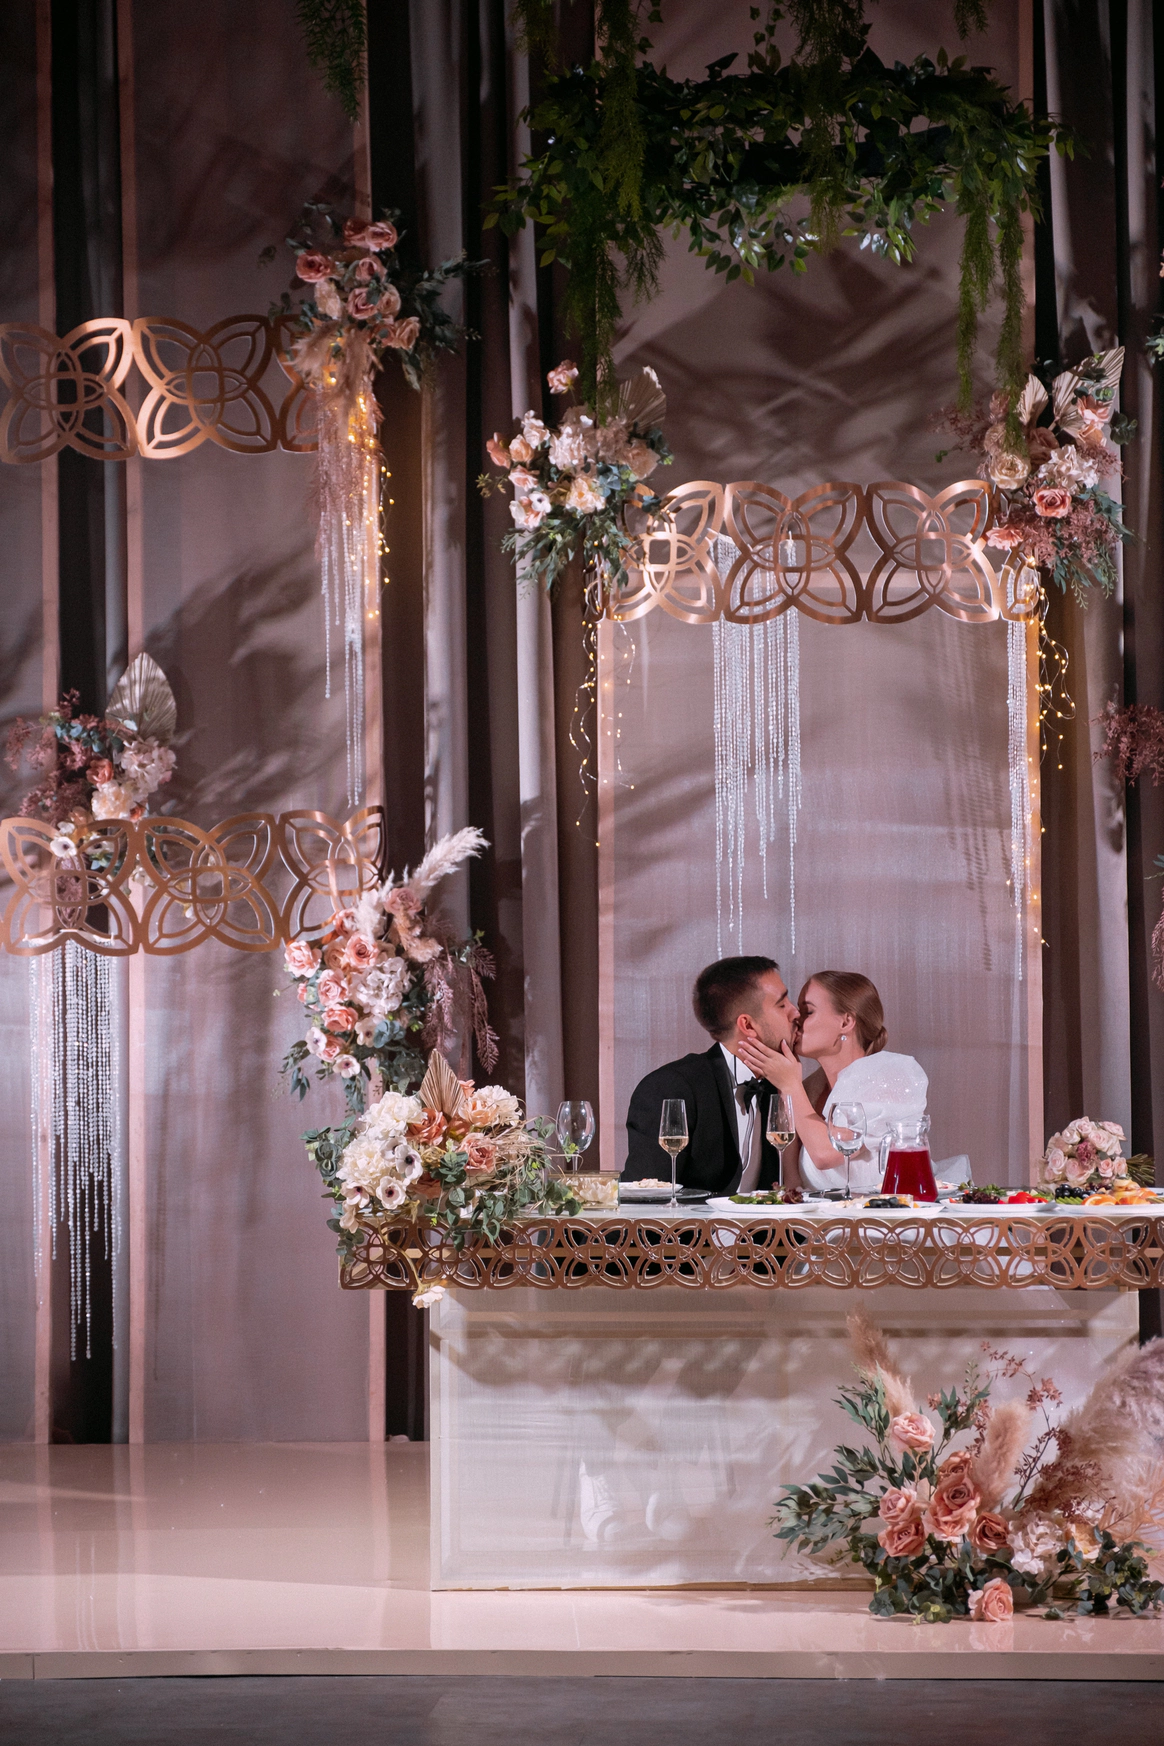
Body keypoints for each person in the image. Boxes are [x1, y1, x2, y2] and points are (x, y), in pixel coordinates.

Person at [736, 970, 927, 1195]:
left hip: (883, 1214)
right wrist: (786, 1087)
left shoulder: (891, 1073)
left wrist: (790, 1086)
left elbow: (826, 1155)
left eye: (808, 1011)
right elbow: (792, 1181)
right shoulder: (808, 1089)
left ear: (846, 1022)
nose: (796, 1018)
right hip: (823, 1216)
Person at [624, 956, 800, 1194]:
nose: (795, 1012)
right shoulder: (671, 1087)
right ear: (748, 1025)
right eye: (782, 1004)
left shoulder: (779, 1086)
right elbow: (647, 1197)